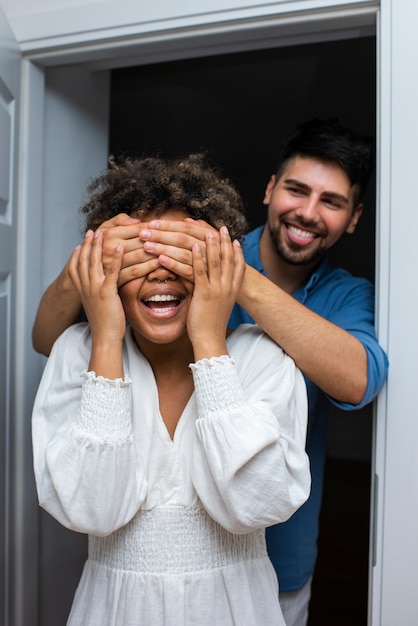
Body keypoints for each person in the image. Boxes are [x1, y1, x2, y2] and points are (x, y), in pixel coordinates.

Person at [32, 118, 389, 625]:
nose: (308, 213)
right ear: (270, 189)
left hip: (269, 546)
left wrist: (227, 281)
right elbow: (50, 339)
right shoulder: (176, 263)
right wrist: (92, 265)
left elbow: (359, 378)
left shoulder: (231, 274)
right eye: (296, 189)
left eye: (331, 201)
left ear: (354, 217)